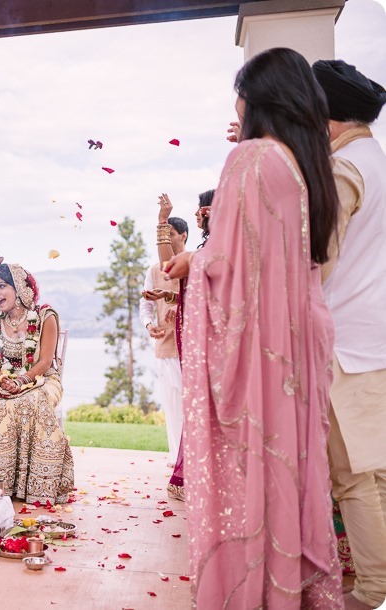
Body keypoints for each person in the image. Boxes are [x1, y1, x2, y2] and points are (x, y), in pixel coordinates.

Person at [165, 47, 341, 607]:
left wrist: (197, 261)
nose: (235, 107)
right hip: (292, 351)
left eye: (239, 94)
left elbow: (232, 274)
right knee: (283, 474)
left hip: (258, 359)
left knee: (248, 482)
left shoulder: (250, 159)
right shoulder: (300, 165)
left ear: (259, 100)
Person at [313, 58, 386, 610]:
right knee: (375, 475)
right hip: (375, 339)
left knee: (354, 479)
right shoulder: (375, 158)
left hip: (348, 347)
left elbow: (319, 261)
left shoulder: (345, 170)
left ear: (329, 117)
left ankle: (372, 593)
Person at [0, 263, 74, 504]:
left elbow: (45, 361)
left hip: (43, 382)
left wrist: (21, 381)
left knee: (31, 401)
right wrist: (1, 379)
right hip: (7, 384)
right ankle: (1, 484)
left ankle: (37, 486)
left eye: (2, 286)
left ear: (19, 286)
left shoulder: (45, 316)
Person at [153, 190, 214, 502]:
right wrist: (162, 221)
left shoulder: (225, 247)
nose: (195, 215)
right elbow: (169, 267)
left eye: (200, 210)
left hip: (217, 342)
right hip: (199, 337)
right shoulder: (206, 249)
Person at [139, 216, 187, 466]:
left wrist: (179, 309)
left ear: (183, 236)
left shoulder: (191, 265)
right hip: (165, 346)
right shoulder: (154, 271)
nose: (166, 241)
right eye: (162, 236)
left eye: (171, 235)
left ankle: (192, 457)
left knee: (189, 403)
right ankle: (175, 457)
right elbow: (145, 304)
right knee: (171, 403)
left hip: (190, 347)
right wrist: (149, 326)